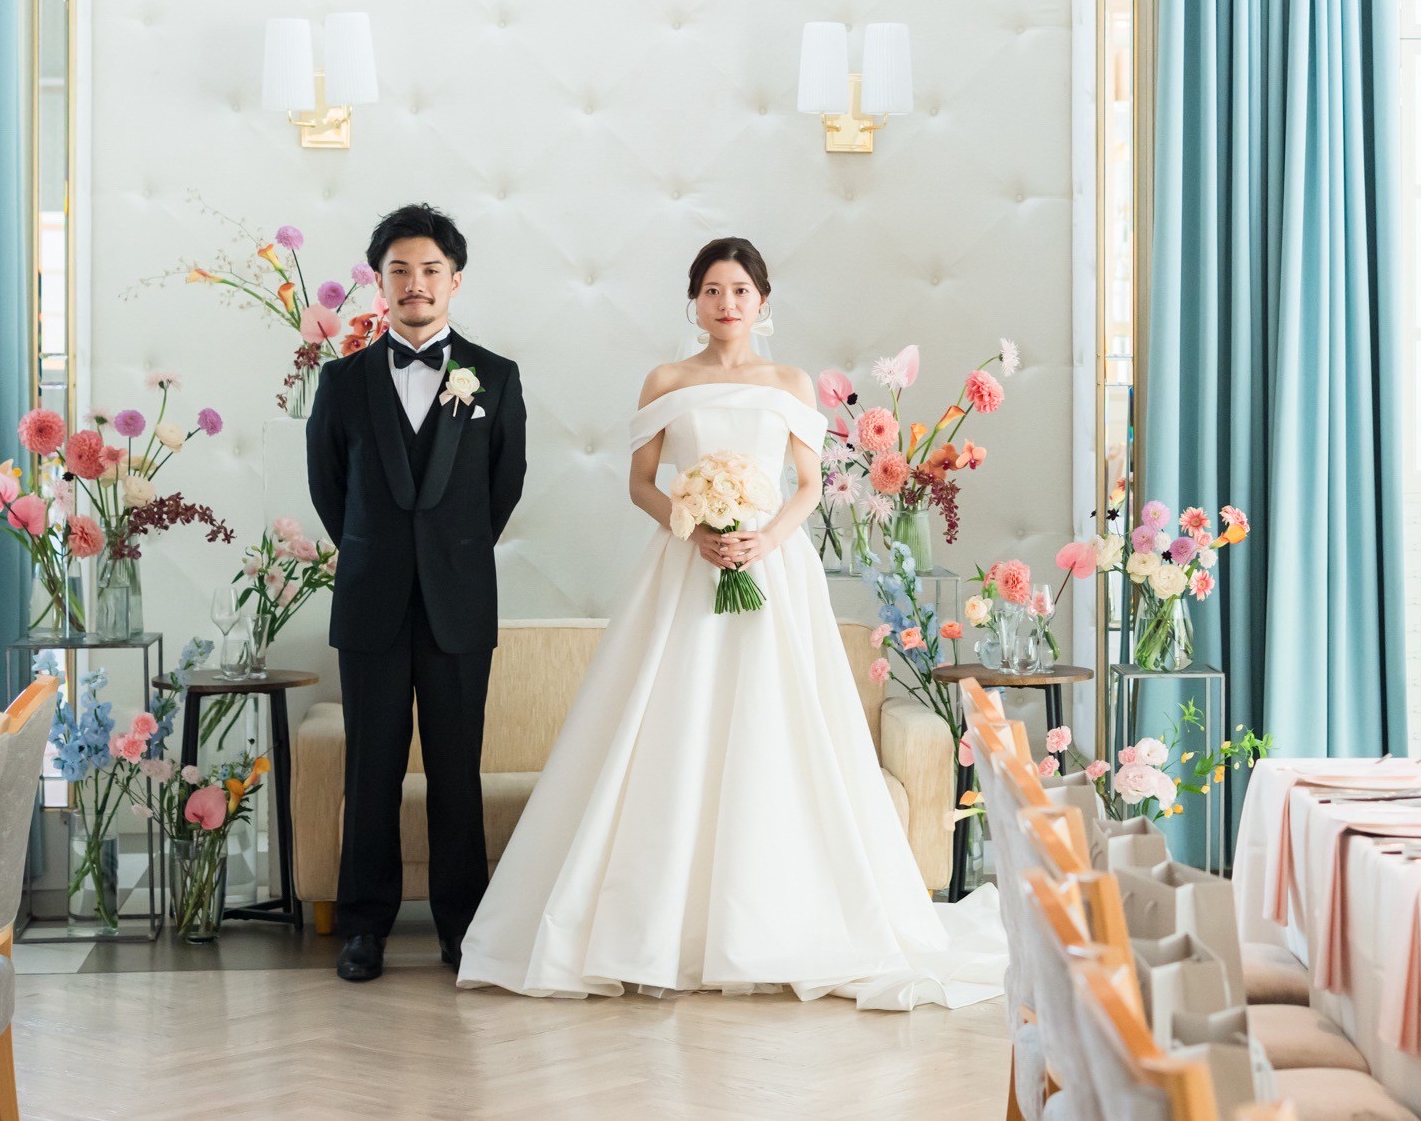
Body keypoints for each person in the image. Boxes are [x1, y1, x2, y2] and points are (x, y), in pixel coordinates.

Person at [455, 237, 1001, 1008]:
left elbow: (806, 485)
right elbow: (641, 482)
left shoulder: (790, 382)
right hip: (685, 564)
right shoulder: (666, 380)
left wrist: (763, 539)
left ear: (762, 301)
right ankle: (655, 927)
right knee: (674, 721)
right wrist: (692, 525)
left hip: (771, 568)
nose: (727, 302)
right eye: (712, 289)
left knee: (776, 723)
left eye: (740, 289)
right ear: (695, 301)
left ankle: (770, 924)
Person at [307, 202, 526, 982]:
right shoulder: (342, 380)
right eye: (399, 269)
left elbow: (503, 486)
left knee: (456, 771)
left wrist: (449, 553)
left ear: (455, 280)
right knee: (370, 769)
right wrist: (380, 553)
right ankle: (364, 928)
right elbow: (329, 488)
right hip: (370, 599)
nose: (415, 283)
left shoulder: (495, 376)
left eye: (431, 269)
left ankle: (462, 926)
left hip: (459, 603)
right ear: (380, 281)